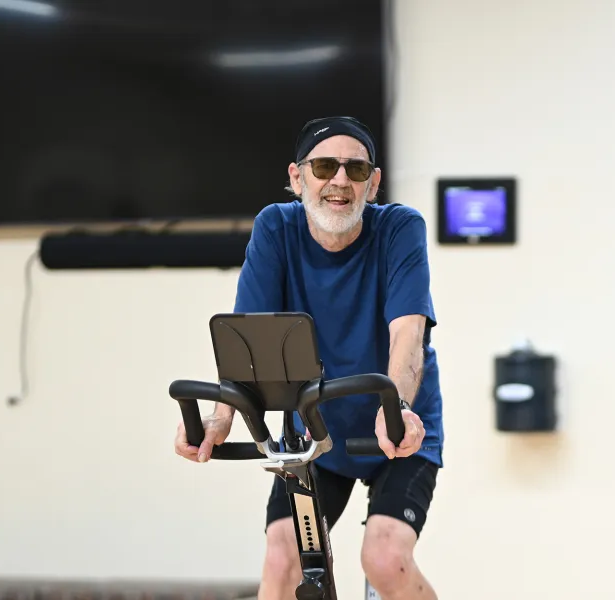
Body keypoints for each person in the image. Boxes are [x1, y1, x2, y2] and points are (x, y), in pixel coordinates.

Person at [172, 116, 444, 600]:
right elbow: (246, 339)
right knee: (283, 559)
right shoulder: (276, 227)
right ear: (298, 178)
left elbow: (408, 333)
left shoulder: (400, 228)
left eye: (356, 171)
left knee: (384, 560)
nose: (340, 181)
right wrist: (219, 418)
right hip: (316, 427)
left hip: (398, 424)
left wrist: (397, 410)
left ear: (373, 184)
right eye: (324, 167)